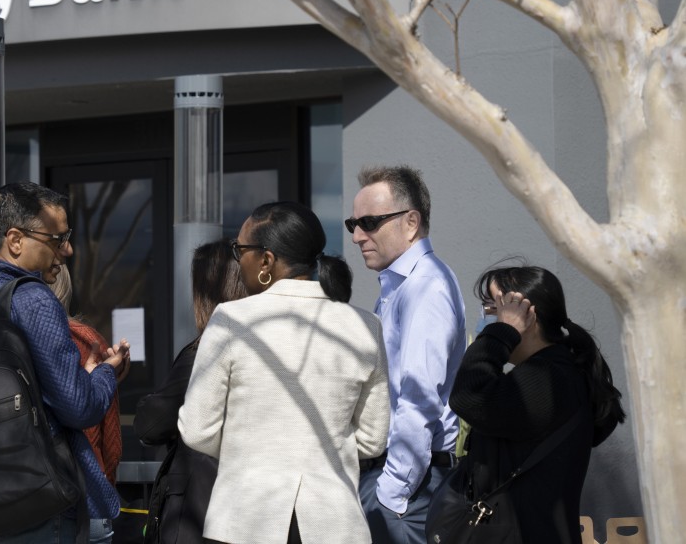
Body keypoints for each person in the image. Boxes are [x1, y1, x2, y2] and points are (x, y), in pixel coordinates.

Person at [178, 201, 390, 544]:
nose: (237, 258)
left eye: (240, 250)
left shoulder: (231, 321)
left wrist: (249, 448)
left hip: (246, 519)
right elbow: (372, 439)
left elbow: (198, 430)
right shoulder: (365, 326)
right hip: (335, 523)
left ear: (266, 260)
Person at [0, 181, 130, 543]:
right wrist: (105, 374)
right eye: (57, 239)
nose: (68, 250)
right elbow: (79, 408)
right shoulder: (33, 299)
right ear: (15, 241)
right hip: (57, 508)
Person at [447, 265, 626, 543]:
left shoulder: (549, 379)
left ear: (527, 316)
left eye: (493, 307)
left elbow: (468, 395)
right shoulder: (554, 372)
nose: (486, 318)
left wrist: (501, 332)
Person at [348, 165, 466, 544]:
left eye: (370, 222)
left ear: (411, 222)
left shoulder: (425, 288)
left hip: (412, 487)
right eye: (354, 223)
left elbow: (418, 399)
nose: (358, 235)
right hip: (410, 483)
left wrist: (392, 494)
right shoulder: (404, 286)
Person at [134, 238, 247, 544]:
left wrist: (147, 401)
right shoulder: (265, 346)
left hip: (201, 509)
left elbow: (153, 424)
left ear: (206, 291)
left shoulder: (206, 352)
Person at [52, 263, 126, 544]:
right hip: (89, 493)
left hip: (32, 500)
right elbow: (111, 442)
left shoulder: (11, 337)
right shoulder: (87, 339)